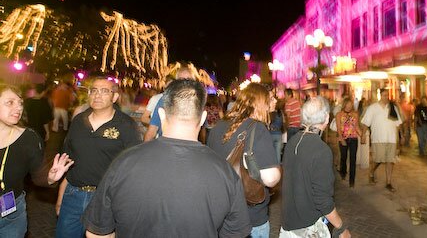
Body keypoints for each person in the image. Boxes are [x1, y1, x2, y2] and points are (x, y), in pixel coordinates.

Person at [82, 79, 251, 237]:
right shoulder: (224, 171)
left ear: (161, 114)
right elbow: (236, 233)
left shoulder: (124, 162)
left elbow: (97, 231)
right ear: (204, 118)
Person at [54, 76, 142, 238]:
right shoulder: (79, 121)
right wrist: (60, 197)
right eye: (93, 90)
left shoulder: (126, 125)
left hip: (105, 199)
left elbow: (134, 168)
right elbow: (67, 162)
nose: (97, 95)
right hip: (73, 195)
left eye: (104, 91)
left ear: (115, 97)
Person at [207, 83, 281, 238]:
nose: (276, 101)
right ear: (261, 103)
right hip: (250, 216)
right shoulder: (258, 129)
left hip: (221, 211)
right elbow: (271, 179)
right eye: (272, 98)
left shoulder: (219, 126)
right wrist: (279, 171)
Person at [0, 84, 73, 237]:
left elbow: (39, 177)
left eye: (20, 103)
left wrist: (51, 178)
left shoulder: (29, 138)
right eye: (10, 102)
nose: (18, 108)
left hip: (10, 213)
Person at [280, 96, 351, 238]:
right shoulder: (321, 150)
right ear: (326, 118)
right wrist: (341, 227)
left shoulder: (293, 142)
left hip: (289, 225)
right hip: (307, 229)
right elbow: (323, 200)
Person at [144, 62, 213, 141]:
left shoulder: (198, 100)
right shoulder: (165, 100)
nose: (185, 84)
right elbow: (151, 131)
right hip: (166, 147)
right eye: (181, 81)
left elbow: (202, 129)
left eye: (188, 81)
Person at [360, 88, 402, 192]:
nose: (386, 97)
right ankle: (371, 171)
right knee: (378, 159)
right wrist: (363, 135)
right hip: (378, 138)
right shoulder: (373, 108)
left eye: (387, 95)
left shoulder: (393, 108)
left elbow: (398, 124)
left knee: (390, 161)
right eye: (384, 95)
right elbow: (366, 122)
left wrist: (400, 137)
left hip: (391, 138)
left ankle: (388, 182)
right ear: (380, 95)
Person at [335, 97, 361, 187]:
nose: (349, 106)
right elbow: (338, 128)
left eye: (351, 104)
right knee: (343, 157)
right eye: (348, 104)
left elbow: (356, 126)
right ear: (344, 104)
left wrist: (362, 135)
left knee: (353, 159)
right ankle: (343, 172)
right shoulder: (339, 114)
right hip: (343, 138)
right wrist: (341, 139)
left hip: (353, 138)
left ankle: (352, 181)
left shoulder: (355, 114)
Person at [269, 96, 284, 164]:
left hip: (271, 134)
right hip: (279, 134)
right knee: (278, 154)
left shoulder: (271, 114)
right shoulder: (280, 114)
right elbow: (283, 123)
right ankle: (278, 167)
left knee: (271, 152)